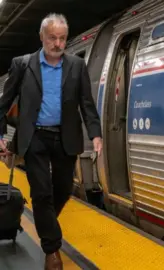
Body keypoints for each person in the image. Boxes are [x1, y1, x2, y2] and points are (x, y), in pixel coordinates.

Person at [0, 13, 102, 270]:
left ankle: (45, 222)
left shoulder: (76, 66)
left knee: (64, 188)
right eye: (52, 38)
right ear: (42, 37)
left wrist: (96, 134)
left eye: (62, 38)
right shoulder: (22, 64)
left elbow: (86, 103)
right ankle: (52, 250)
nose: (58, 44)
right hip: (34, 136)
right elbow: (3, 103)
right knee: (42, 192)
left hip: (65, 137)